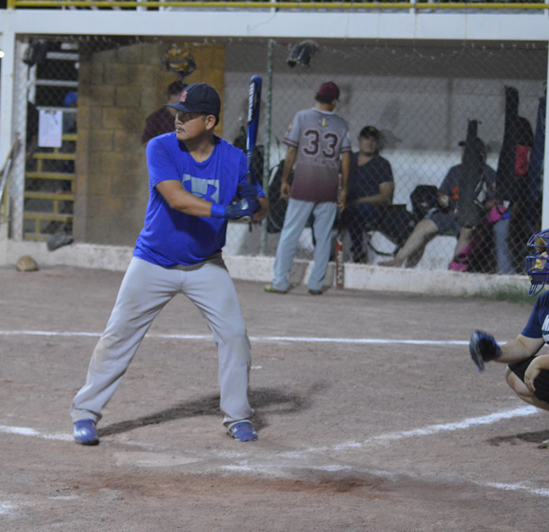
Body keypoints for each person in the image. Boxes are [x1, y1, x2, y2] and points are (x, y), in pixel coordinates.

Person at [70, 83, 269, 445]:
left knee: (235, 337)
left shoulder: (236, 159)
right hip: (153, 261)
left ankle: (238, 415)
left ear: (209, 121)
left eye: (188, 115)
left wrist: (255, 189)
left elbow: (261, 210)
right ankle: (85, 413)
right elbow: (177, 199)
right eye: (178, 112)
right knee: (118, 336)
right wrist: (228, 209)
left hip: (206, 265)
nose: (178, 119)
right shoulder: (160, 146)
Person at [470, 229, 549, 450]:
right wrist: (495, 352)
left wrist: (540, 362)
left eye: (548, 253)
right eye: (539, 252)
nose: (540, 259)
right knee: (514, 373)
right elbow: (524, 345)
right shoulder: (547, 300)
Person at [265, 81, 351, 295]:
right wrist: (344, 189)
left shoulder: (302, 117)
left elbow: (291, 151)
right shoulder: (341, 124)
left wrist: (285, 179)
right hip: (328, 187)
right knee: (323, 238)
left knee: (290, 234)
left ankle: (280, 282)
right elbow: (347, 158)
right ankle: (315, 284)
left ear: (315, 96)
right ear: (333, 102)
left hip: (303, 184)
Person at [379, 137, 496, 269]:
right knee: (423, 226)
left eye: (468, 151)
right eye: (463, 151)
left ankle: (454, 268)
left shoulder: (488, 173)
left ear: (479, 154)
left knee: (466, 232)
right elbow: (442, 195)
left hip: (472, 217)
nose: (464, 154)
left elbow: (493, 202)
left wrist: (475, 210)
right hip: (450, 213)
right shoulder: (455, 171)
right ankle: (398, 260)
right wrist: (443, 201)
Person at [339, 125, 394, 263]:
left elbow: (386, 197)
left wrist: (358, 201)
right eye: (366, 139)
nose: (369, 143)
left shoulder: (382, 164)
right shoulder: (348, 160)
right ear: (359, 140)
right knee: (321, 212)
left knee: (355, 211)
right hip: (345, 204)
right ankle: (322, 252)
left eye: (373, 140)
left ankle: (357, 251)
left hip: (369, 208)